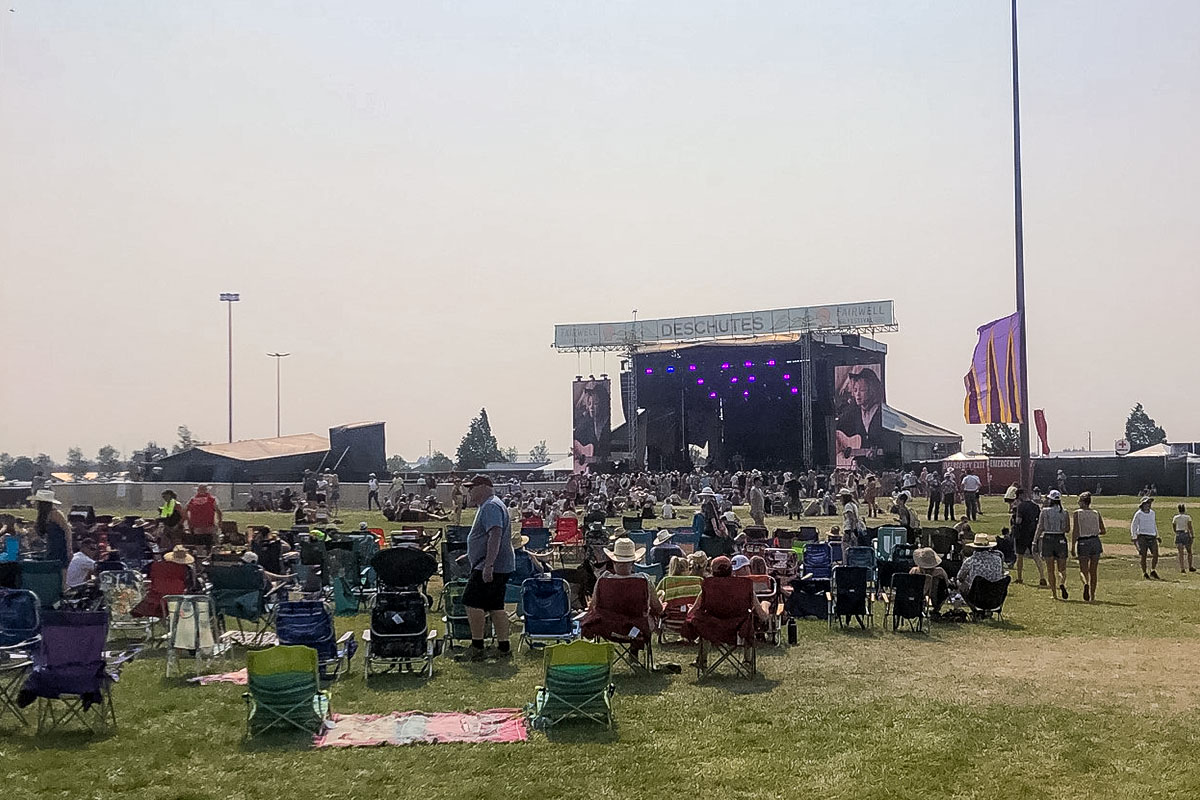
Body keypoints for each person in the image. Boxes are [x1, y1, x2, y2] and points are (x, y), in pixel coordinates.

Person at [457, 475, 516, 662]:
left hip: (491, 565)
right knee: (495, 606)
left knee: (472, 602)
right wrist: (470, 554)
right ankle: (503, 647)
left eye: (471, 487)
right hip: (495, 563)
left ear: (483, 487)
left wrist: (488, 565)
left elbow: (495, 534)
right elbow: (488, 537)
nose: (469, 491)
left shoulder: (490, 505)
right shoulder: (492, 504)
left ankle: (477, 646)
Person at [835, 368, 884, 467]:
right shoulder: (853, 412)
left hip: (876, 466)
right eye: (855, 390)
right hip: (856, 465)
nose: (857, 394)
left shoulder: (881, 413)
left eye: (862, 390)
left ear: (872, 390)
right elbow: (837, 429)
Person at [1034, 489, 1071, 600]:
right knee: (1062, 569)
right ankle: (1062, 583)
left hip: (1048, 538)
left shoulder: (1044, 511)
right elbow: (1068, 529)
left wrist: (1035, 541)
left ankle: (1054, 594)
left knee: (1050, 570)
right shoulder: (1065, 512)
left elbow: (1040, 527)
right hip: (1060, 539)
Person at [1070, 492, 1106, 602]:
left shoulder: (1077, 513)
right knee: (1093, 571)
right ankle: (1093, 595)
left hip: (1083, 542)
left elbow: (1075, 531)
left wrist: (1072, 546)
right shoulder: (1096, 513)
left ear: (1082, 502)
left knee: (1083, 570)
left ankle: (1085, 584)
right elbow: (1103, 530)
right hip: (1095, 541)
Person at [1008, 486, 1046, 587]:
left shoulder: (1021, 506)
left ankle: (1020, 577)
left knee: (1019, 555)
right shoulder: (1035, 506)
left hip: (1021, 533)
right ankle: (1042, 577)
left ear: (1020, 496)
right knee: (1035, 555)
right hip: (1033, 532)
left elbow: (1018, 521)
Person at [31, 489, 71, 583]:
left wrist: (69, 548)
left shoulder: (55, 513)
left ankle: (63, 589)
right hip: (51, 545)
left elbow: (67, 530)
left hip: (61, 545)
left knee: (61, 569)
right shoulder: (43, 516)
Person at [956, 533, 1007, 602]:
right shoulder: (998, 559)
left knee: (959, 583)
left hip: (977, 598)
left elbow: (960, 577)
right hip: (996, 597)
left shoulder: (970, 561)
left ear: (974, 547)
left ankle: (973, 608)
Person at [910, 547, 950, 614]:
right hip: (931, 594)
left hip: (916, 594)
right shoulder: (940, 572)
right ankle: (936, 608)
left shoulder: (914, 571)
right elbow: (947, 584)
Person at [185, 485, 223, 552]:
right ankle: (210, 556)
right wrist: (219, 521)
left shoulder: (192, 500)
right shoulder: (212, 499)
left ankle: (200, 556)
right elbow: (218, 511)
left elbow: (185, 511)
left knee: (199, 544)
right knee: (211, 543)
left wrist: (189, 522)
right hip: (209, 525)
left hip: (197, 525)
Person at [1131, 496, 1161, 580]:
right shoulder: (1138, 514)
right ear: (1143, 504)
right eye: (1147, 503)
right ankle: (1144, 572)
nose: (1149, 505)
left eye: (1149, 503)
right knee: (1143, 555)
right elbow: (1134, 525)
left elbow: (1154, 524)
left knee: (1155, 554)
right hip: (1142, 536)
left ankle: (1153, 570)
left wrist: (1157, 535)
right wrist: (1134, 536)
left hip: (1152, 535)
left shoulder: (1152, 513)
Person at [1173, 503, 1195, 574]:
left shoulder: (1175, 517)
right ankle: (1190, 566)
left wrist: (1176, 532)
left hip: (1179, 533)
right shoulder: (1188, 517)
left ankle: (1182, 568)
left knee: (1180, 552)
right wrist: (1192, 535)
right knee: (1189, 551)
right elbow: (1190, 527)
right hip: (1185, 533)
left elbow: (1174, 526)